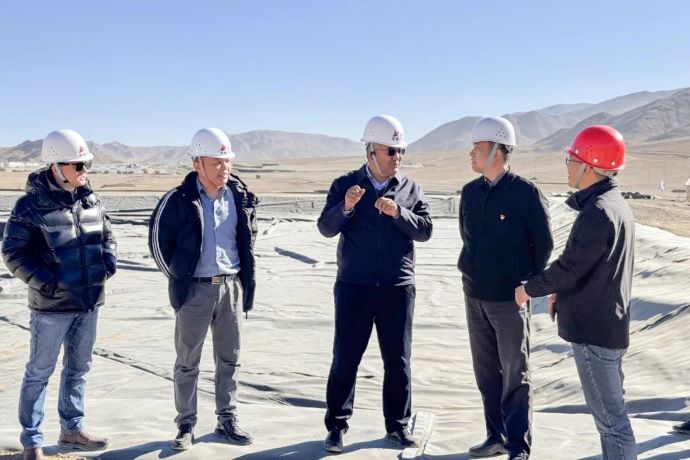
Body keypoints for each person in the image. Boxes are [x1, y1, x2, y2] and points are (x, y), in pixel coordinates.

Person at [515, 125, 637, 459]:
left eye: (571, 159)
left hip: (595, 333)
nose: (567, 166)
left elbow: (570, 267)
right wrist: (560, 292)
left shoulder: (598, 212)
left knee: (612, 423)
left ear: (588, 165)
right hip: (607, 326)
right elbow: (590, 267)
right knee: (611, 420)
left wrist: (529, 290)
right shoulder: (612, 205)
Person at [317, 114, 432, 453]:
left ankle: (397, 426)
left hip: (398, 287)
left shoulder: (410, 189)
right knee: (346, 357)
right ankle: (336, 427)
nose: (398, 158)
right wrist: (346, 207)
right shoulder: (345, 185)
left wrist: (399, 213)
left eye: (401, 151)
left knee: (398, 360)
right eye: (391, 151)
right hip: (355, 286)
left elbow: (425, 230)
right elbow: (326, 227)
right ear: (371, 152)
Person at [2, 129, 116, 460]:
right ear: (55, 166)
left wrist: (106, 267)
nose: (84, 171)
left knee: (79, 369)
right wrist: (48, 283)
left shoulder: (91, 200)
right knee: (39, 373)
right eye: (77, 165)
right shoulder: (29, 206)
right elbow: (13, 252)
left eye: (86, 164)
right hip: (52, 308)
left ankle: (72, 430)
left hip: (89, 303)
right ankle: (32, 442)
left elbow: (107, 238)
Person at [148, 128, 258, 451]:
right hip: (195, 291)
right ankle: (186, 425)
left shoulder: (238, 195)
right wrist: (179, 278)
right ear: (198, 164)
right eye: (217, 162)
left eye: (227, 161)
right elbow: (158, 243)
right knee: (187, 362)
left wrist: (241, 277)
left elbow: (249, 235)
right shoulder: (178, 200)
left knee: (230, 359)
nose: (225, 168)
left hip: (230, 289)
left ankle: (227, 419)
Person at [458, 117, 553, 460]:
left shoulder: (526, 193)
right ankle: (494, 436)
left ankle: (517, 446)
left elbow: (544, 244)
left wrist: (526, 283)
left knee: (515, 373)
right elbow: (467, 238)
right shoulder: (470, 193)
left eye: (477, 148)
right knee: (486, 372)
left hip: (509, 300)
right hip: (475, 295)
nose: (471, 153)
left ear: (497, 152)